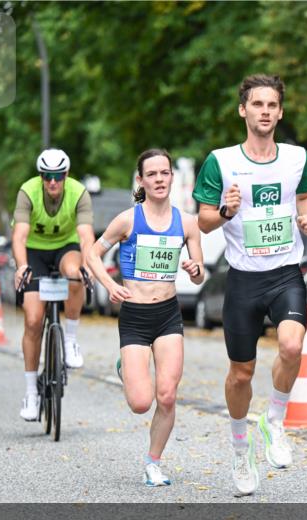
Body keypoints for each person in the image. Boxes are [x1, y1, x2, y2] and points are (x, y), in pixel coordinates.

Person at [193, 74, 307, 495]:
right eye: (257, 104)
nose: (265, 111)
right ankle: (239, 449)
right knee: (240, 373)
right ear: (242, 110)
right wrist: (226, 211)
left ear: (280, 112)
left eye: (272, 105)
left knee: (292, 347)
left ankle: (274, 421)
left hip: (286, 273)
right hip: (244, 279)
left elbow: (306, 196)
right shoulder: (221, 161)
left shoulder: (297, 158)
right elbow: (203, 221)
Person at [85, 148, 204, 486]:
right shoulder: (127, 220)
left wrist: (195, 270)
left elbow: (199, 275)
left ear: (172, 177)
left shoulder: (187, 223)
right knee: (140, 403)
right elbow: (92, 253)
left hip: (168, 315)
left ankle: (153, 462)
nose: (159, 179)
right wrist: (110, 284)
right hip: (135, 317)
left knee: (167, 395)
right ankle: (125, 368)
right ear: (141, 180)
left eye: (164, 173)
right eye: (151, 174)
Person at [12, 148, 95, 421]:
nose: (52, 182)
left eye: (58, 176)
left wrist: (89, 264)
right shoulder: (28, 192)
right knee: (33, 321)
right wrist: (22, 266)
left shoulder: (79, 193)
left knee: (75, 273)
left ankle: (70, 340)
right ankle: (30, 393)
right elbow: (19, 236)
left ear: (66, 174)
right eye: (47, 176)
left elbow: (86, 236)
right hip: (34, 252)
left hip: (65, 248)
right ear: (40, 176)